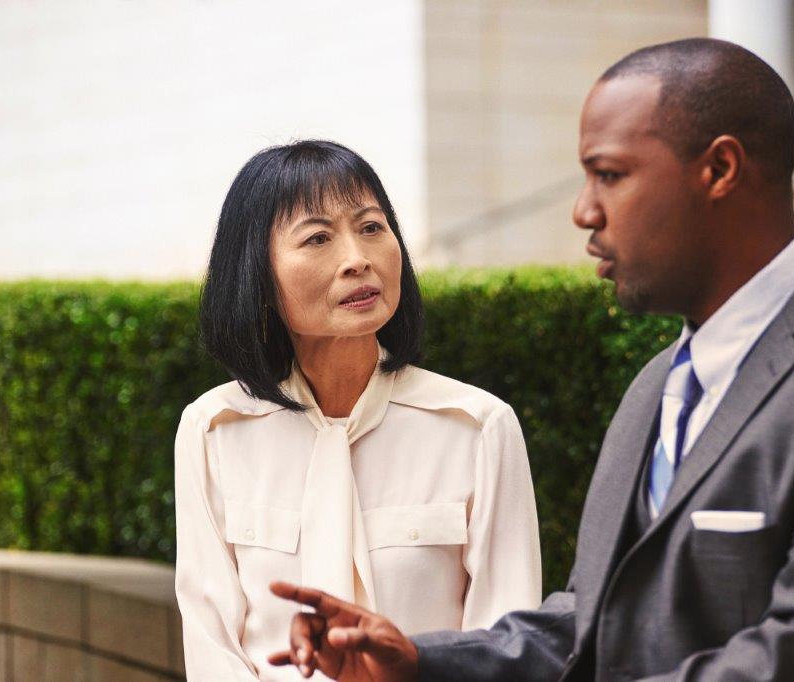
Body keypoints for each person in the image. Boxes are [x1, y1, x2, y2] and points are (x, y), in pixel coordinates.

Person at [269, 38, 794, 681]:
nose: (584, 210)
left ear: (720, 170)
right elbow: (592, 623)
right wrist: (419, 659)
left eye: (608, 174)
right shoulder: (656, 387)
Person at [174, 140, 543, 680]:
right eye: (318, 238)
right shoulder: (213, 429)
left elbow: (503, 643)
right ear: (257, 273)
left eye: (372, 227)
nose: (357, 259)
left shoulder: (477, 427)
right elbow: (212, 643)